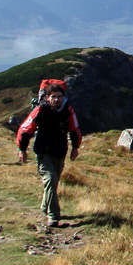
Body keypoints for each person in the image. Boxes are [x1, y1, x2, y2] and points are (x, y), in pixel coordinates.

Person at [17, 82, 82, 227]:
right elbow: (25, 130)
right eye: (53, 97)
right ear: (47, 98)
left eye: (59, 97)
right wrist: (22, 149)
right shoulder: (40, 111)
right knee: (51, 179)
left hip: (60, 151)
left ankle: (44, 207)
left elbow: (74, 129)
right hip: (43, 150)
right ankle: (53, 216)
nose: (57, 99)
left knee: (53, 181)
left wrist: (75, 147)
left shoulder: (67, 110)